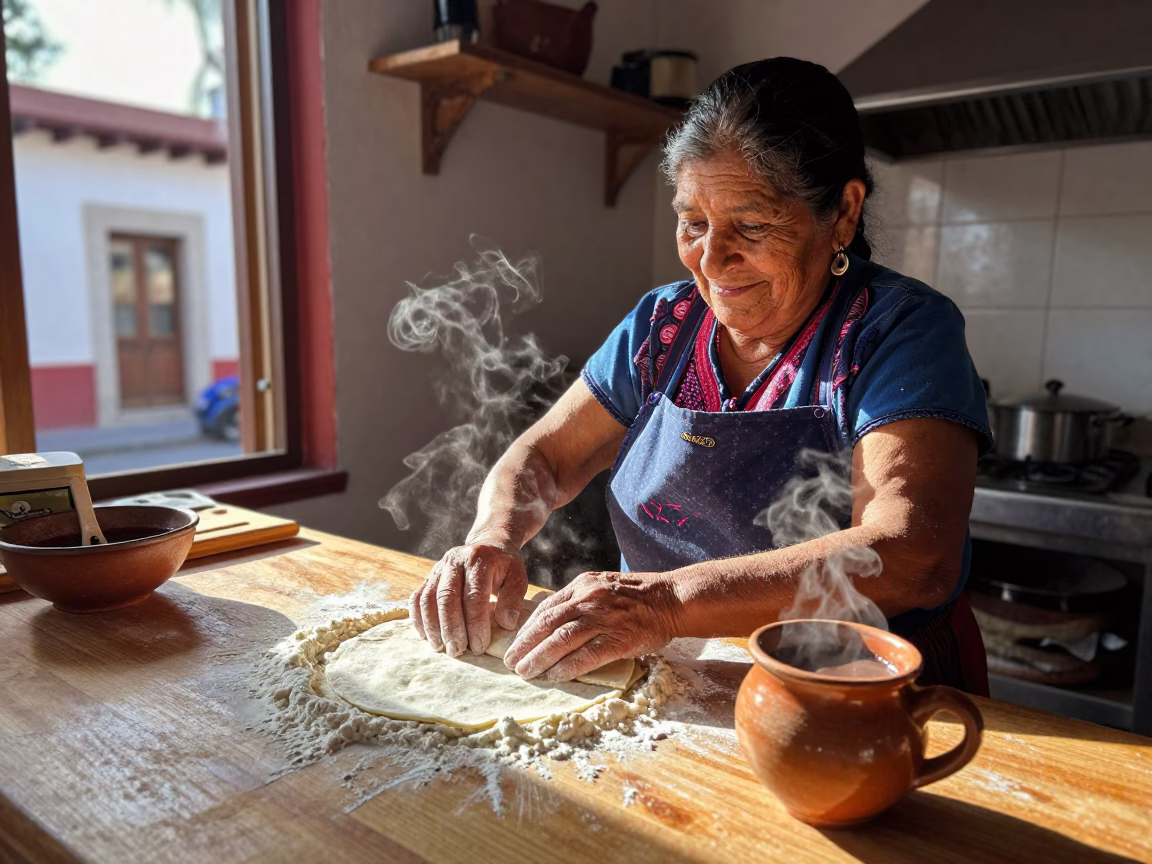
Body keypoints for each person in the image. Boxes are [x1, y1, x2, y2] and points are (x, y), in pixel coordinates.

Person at [409, 57, 992, 694]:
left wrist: (664, 604)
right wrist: (492, 537)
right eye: (693, 223)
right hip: (663, 674)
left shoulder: (898, 330)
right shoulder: (663, 325)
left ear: (844, 213)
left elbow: (911, 554)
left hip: (855, 690)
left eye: (752, 225)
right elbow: (545, 456)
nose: (711, 260)